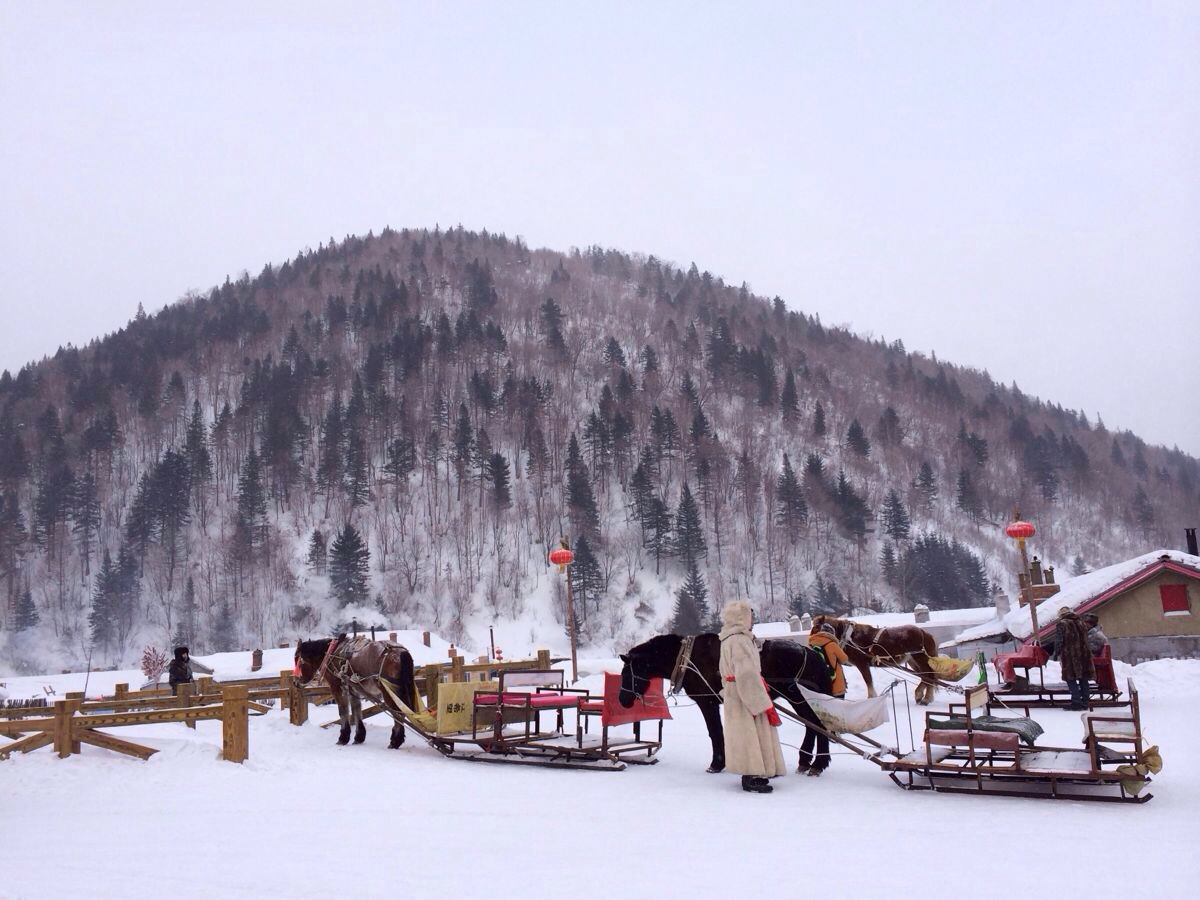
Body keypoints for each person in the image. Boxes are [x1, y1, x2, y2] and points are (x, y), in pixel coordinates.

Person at [718, 599, 785, 793]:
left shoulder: (727, 639)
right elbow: (746, 673)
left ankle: (752, 771)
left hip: (734, 692)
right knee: (750, 733)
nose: (752, 619)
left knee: (742, 734)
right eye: (749, 615)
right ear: (741, 618)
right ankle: (752, 775)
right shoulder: (740, 640)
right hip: (745, 693)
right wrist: (759, 701)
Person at [796, 621, 849, 776]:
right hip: (834, 687)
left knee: (813, 724)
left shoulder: (811, 645)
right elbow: (844, 659)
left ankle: (804, 760)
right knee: (827, 721)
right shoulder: (831, 644)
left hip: (816, 688)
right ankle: (829, 741)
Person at [1051, 608, 1094, 710]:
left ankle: (1076, 702)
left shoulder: (1062, 624)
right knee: (1084, 678)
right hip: (1084, 655)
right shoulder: (1081, 622)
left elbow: (1059, 641)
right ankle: (1085, 702)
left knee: (1071, 678)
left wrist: (1056, 653)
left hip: (1070, 655)